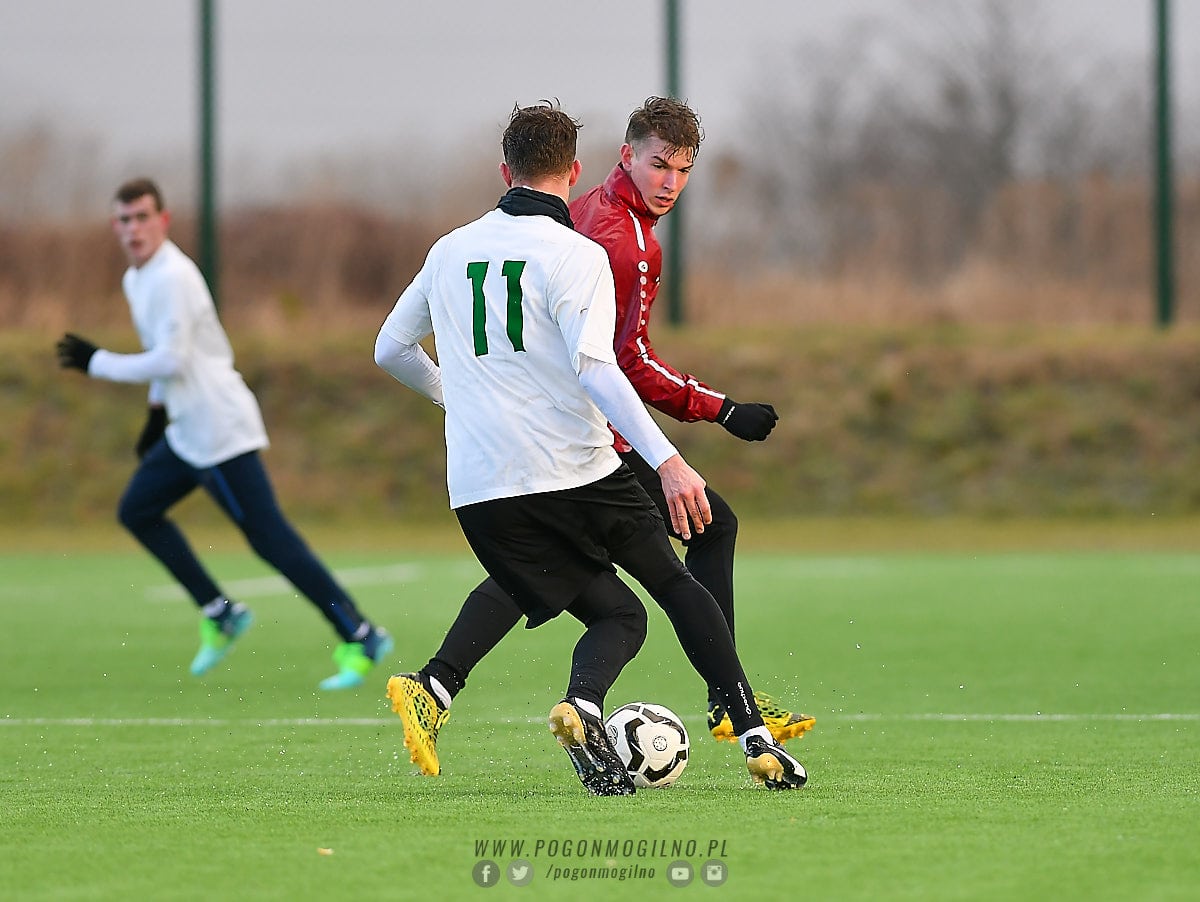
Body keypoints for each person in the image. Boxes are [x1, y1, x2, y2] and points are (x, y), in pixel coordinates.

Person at [375, 101, 806, 794]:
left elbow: (390, 349)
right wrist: (672, 458)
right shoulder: (582, 252)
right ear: (577, 171)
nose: (670, 180)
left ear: (504, 171)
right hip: (572, 468)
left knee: (615, 611)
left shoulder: (448, 249)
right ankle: (752, 731)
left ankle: (501, 697)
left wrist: (453, 397)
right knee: (673, 582)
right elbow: (603, 367)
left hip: (480, 489)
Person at [55, 177, 392, 690]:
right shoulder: (136, 279)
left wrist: (97, 362)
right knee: (138, 511)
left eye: (143, 217)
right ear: (114, 226)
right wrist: (156, 414)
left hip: (217, 429)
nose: (134, 229)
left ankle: (360, 633)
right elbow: (167, 361)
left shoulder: (173, 276)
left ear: (163, 221)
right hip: (186, 429)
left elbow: (172, 358)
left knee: (270, 539)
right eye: (124, 220)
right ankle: (219, 611)